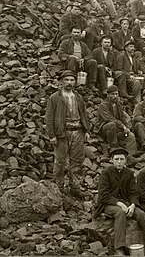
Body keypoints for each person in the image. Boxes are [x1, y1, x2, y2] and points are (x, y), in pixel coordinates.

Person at [93, 147, 145, 256]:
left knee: (142, 214)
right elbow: (103, 195)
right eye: (117, 159)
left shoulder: (128, 173)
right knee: (120, 213)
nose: (119, 162)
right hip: (108, 204)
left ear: (125, 160)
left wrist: (133, 205)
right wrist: (119, 204)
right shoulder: (106, 173)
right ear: (112, 160)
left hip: (127, 203)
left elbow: (133, 192)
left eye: (122, 159)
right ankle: (119, 249)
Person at [45, 70, 90, 198]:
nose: (69, 83)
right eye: (66, 80)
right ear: (61, 82)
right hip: (62, 134)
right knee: (60, 162)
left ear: (75, 82)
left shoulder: (78, 97)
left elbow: (84, 115)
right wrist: (52, 135)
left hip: (78, 132)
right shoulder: (55, 98)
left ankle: (75, 187)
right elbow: (49, 118)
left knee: (77, 161)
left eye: (71, 80)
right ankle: (57, 188)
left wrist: (86, 131)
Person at [94, 85, 138, 157]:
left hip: (117, 128)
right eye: (112, 94)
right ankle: (114, 148)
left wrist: (127, 128)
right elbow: (109, 118)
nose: (115, 96)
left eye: (116, 94)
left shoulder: (118, 104)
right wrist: (123, 126)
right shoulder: (103, 105)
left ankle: (131, 156)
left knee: (131, 135)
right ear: (108, 95)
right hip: (104, 129)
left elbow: (122, 118)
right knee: (112, 124)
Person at [58, 26, 98, 92]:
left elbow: (89, 55)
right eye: (74, 32)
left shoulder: (83, 44)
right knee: (72, 59)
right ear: (71, 33)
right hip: (70, 63)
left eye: (78, 32)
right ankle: (73, 80)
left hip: (81, 64)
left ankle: (91, 84)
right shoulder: (65, 43)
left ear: (80, 34)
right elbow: (60, 54)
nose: (76, 34)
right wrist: (71, 56)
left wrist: (84, 59)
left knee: (93, 62)